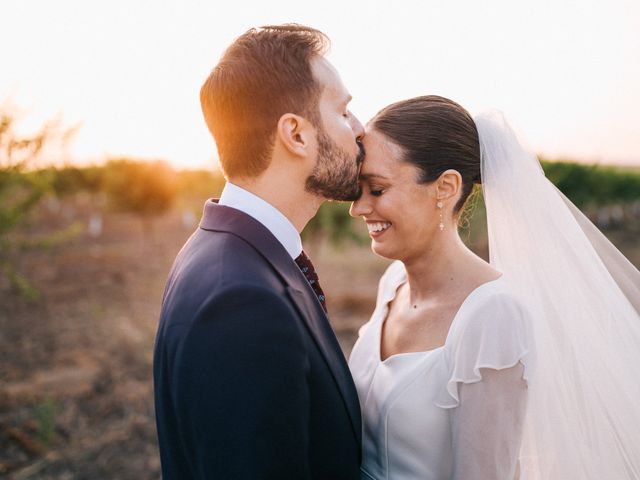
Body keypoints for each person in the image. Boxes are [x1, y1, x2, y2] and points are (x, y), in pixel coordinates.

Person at [348, 95, 640, 479]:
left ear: (445, 187)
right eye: (358, 191)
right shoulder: (393, 285)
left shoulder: (492, 315)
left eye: (378, 189)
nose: (358, 208)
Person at [153, 25, 365, 479]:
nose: (360, 131)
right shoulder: (244, 303)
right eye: (345, 112)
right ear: (296, 134)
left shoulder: (221, 251)